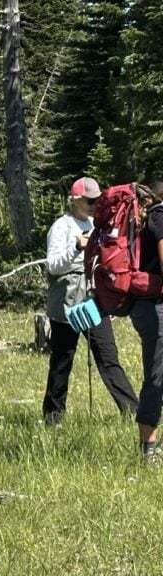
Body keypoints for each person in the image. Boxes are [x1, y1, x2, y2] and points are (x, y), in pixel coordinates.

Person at [42, 177, 138, 424]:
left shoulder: (98, 224)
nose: (95, 205)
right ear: (75, 200)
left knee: (108, 356)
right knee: (63, 360)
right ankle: (53, 419)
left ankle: (133, 412)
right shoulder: (61, 226)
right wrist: (76, 247)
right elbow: (52, 266)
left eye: (98, 200)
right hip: (66, 301)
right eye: (90, 201)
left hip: (93, 299)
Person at [129, 182, 163, 459]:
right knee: (156, 376)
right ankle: (147, 452)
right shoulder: (160, 216)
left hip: (148, 306)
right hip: (155, 308)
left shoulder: (151, 215)